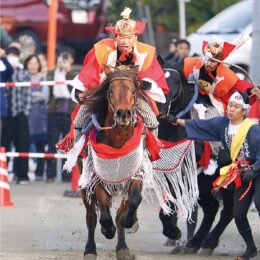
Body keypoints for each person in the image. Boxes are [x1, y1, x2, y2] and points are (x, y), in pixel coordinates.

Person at [62, 7, 168, 151]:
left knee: (151, 120)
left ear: (136, 37)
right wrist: (80, 91)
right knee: (80, 118)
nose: (125, 41)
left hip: (132, 93)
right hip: (105, 91)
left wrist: (145, 83)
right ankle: (78, 151)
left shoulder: (146, 52)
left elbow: (152, 74)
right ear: (115, 37)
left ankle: (151, 153)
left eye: (129, 37)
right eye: (121, 37)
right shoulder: (101, 49)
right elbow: (89, 72)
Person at [174, 91, 260, 260]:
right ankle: (251, 248)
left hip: (257, 170)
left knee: (259, 203)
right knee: (238, 213)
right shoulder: (222, 124)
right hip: (240, 173)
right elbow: (200, 126)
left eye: (236, 107)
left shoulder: (253, 129)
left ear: (244, 110)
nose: (231, 109)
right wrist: (175, 120)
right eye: (229, 105)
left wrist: (255, 168)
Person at [1, 46, 32, 184]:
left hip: (21, 112)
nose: (12, 57)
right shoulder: (4, 70)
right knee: (4, 144)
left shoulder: (23, 72)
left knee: (22, 144)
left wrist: (26, 110)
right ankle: (4, 174)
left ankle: (22, 175)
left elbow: (28, 93)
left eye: (14, 55)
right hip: (7, 113)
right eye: (10, 55)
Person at [46, 48, 76, 182]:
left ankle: (67, 176)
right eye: (62, 59)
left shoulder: (72, 75)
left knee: (68, 145)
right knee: (52, 143)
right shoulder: (53, 73)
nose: (64, 62)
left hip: (68, 114)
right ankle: (50, 175)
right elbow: (50, 84)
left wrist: (66, 71)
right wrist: (58, 70)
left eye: (67, 60)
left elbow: (74, 89)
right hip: (54, 113)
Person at [24, 54, 49, 181]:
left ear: (39, 65)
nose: (33, 65)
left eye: (35, 63)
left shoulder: (43, 78)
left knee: (40, 144)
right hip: (26, 115)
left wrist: (30, 94)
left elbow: (44, 97)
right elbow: (22, 96)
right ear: (26, 64)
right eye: (30, 63)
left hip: (40, 116)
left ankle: (39, 173)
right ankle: (24, 173)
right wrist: (35, 94)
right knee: (24, 144)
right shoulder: (23, 77)